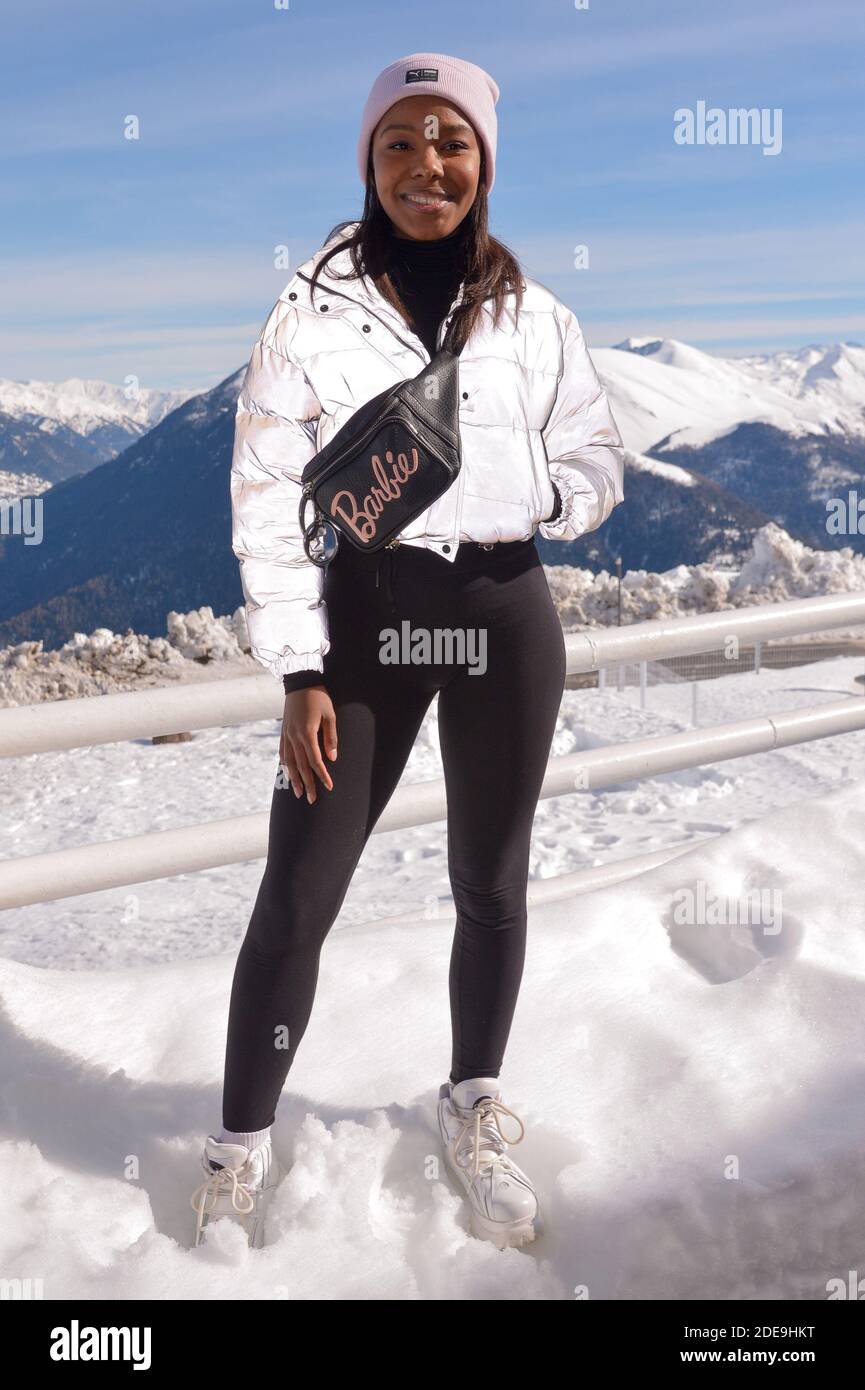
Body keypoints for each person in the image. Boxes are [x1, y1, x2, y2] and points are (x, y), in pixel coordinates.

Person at [190, 51, 625, 1252]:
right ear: (368, 161)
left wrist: (525, 486)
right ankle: (236, 1147)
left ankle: (472, 1098)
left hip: (503, 610)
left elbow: (596, 466)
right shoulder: (307, 312)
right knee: (296, 896)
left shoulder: (538, 316)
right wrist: (298, 671)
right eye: (399, 142)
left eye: (450, 142)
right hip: (363, 628)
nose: (424, 164)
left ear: (483, 163)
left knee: (491, 883)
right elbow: (267, 499)